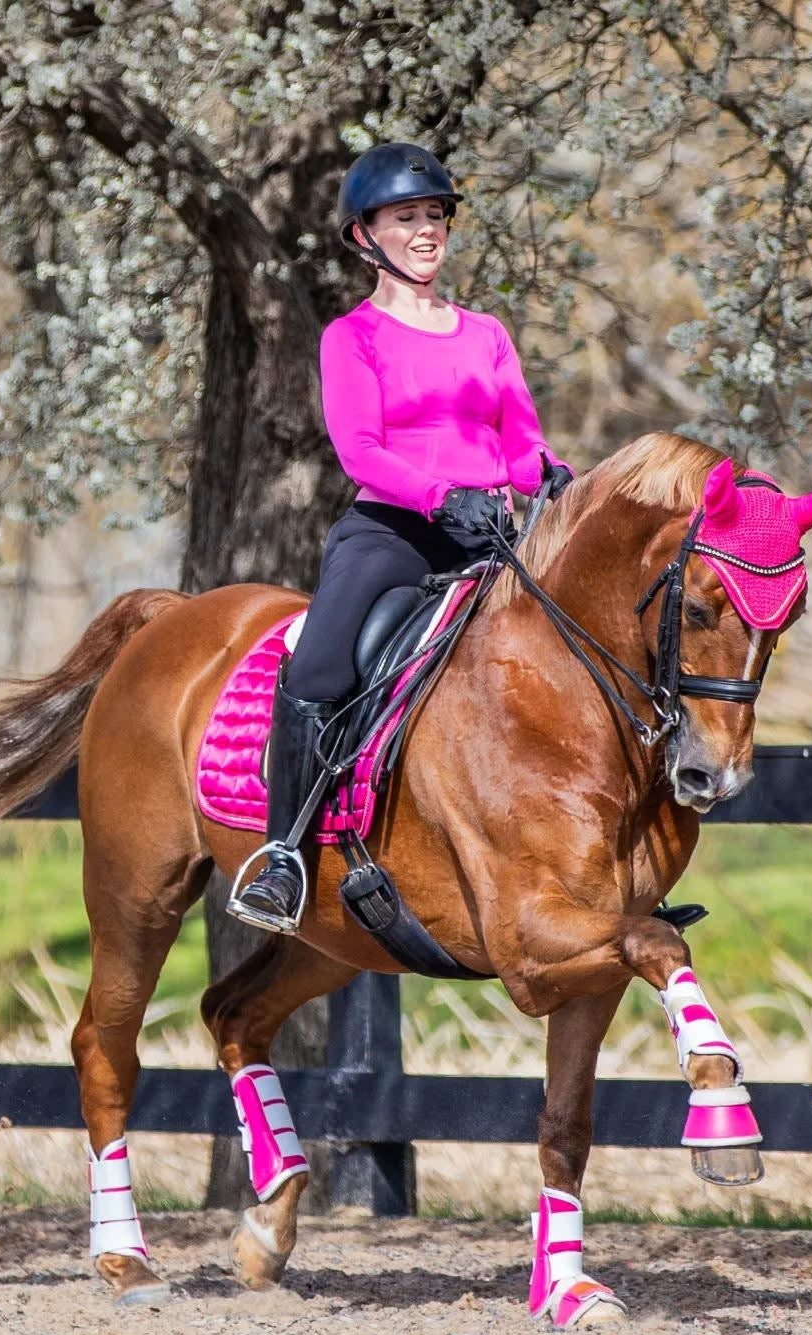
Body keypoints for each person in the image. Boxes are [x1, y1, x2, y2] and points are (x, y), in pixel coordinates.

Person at [229, 141, 574, 933]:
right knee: (317, 659)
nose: (427, 231)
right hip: (391, 533)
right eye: (407, 217)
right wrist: (442, 496)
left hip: (487, 535)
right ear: (365, 235)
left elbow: (521, 441)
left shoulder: (486, 333)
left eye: (435, 216)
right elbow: (361, 452)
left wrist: (552, 475)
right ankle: (284, 855)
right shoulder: (351, 337)